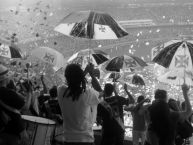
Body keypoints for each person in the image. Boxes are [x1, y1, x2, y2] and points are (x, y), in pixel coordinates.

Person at [57, 63, 102, 145]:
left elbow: (72, 82)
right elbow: (101, 92)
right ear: (81, 77)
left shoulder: (61, 91)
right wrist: (91, 74)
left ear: (66, 77)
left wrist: (84, 72)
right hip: (86, 139)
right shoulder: (88, 93)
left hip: (68, 139)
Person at [0, 64, 25, 145]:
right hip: (11, 131)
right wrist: (30, 93)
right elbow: (25, 107)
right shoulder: (7, 93)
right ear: (5, 78)